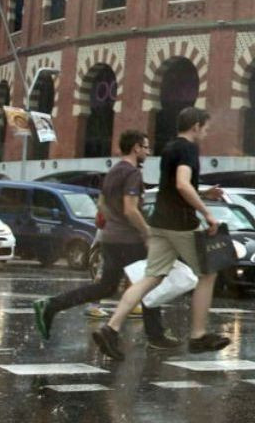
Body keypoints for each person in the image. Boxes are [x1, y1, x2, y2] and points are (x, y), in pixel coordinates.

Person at [92, 108, 228, 361]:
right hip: (181, 223)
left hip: (160, 223)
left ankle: (110, 328)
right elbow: (181, 184)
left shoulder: (170, 148)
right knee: (208, 272)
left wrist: (204, 192)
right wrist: (207, 212)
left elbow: (171, 186)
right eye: (206, 128)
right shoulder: (188, 148)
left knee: (151, 277)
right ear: (196, 126)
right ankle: (198, 335)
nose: (206, 133)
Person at [34, 130, 181, 349]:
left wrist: (111, 223)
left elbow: (101, 204)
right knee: (150, 280)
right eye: (146, 147)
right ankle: (155, 335)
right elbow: (131, 210)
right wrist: (147, 232)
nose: (148, 152)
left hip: (112, 238)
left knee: (106, 287)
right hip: (129, 240)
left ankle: (51, 305)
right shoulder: (132, 173)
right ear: (136, 148)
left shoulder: (113, 171)